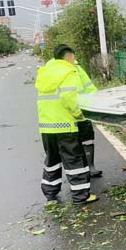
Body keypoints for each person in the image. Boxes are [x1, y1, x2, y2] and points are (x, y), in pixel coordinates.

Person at [35, 44, 98, 205]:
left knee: (52, 159)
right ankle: (80, 196)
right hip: (65, 125)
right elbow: (70, 98)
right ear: (69, 56)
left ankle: (50, 193)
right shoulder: (69, 71)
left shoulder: (45, 73)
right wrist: (79, 114)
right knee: (74, 160)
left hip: (47, 126)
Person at [75, 61, 102, 177]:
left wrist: (95, 104)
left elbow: (89, 87)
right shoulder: (57, 70)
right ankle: (79, 169)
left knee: (88, 139)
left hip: (83, 111)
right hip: (66, 115)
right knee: (72, 144)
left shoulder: (78, 69)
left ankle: (90, 166)